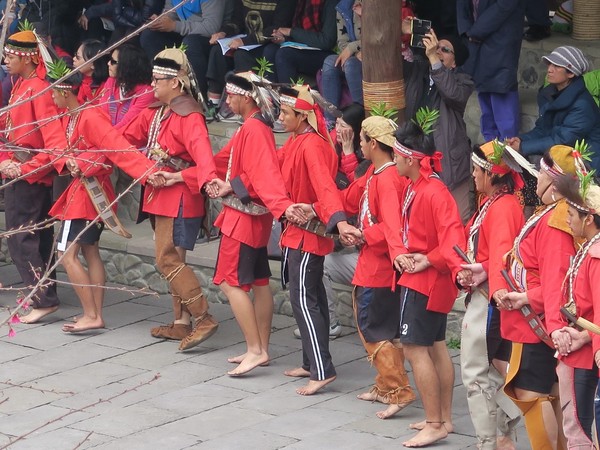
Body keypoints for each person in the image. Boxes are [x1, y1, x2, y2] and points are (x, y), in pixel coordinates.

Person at [203, 72, 307, 376]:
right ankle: (260, 346)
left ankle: (255, 349)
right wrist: (207, 174)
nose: (228, 101)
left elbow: (261, 174)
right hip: (250, 218)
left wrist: (229, 186)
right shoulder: (254, 126)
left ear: (246, 97)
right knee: (260, 282)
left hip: (242, 219)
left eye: (231, 96)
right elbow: (229, 161)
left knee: (230, 282)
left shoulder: (254, 128)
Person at [45, 59, 159, 333]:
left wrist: (81, 163)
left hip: (87, 193)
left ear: (65, 91)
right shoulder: (74, 115)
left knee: (66, 254)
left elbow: (113, 150)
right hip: (85, 189)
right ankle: (94, 312)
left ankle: (91, 314)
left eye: (53, 91)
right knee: (90, 251)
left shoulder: (90, 116)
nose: (50, 96)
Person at [121, 47, 219, 351]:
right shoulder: (155, 112)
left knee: (168, 259)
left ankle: (202, 317)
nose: (152, 86)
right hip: (158, 196)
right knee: (172, 260)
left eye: (157, 80)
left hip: (179, 197)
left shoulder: (189, 117)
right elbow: (122, 138)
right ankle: (180, 323)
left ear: (175, 83)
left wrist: (179, 177)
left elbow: (205, 164)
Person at [276, 84, 358, 395]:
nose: (281, 118)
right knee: (311, 299)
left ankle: (322, 368)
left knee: (304, 300)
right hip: (298, 233)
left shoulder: (311, 145)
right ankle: (312, 363)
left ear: (302, 116)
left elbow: (325, 189)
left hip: (307, 235)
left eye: (286, 113)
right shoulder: (301, 140)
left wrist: (336, 220)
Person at [392, 120, 467, 447]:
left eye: (396, 154)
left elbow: (454, 240)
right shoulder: (420, 185)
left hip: (424, 281)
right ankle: (444, 419)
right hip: (428, 277)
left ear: (410, 159)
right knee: (435, 346)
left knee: (414, 349)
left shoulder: (433, 191)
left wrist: (429, 259)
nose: (393, 159)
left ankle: (435, 422)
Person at [500, 145, 579, 449]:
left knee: (534, 395)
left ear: (553, 179)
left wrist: (528, 298)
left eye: (542, 172)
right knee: (549, 393)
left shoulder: (557, 222)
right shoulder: (551, 212)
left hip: (540, 323)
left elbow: (557, 280)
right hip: (535, 318)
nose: (536, 178)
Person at [340, 115, 416, 419]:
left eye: (361, 139)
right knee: (381, 328)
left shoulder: (385, 179)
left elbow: (390, 228)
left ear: (374, 143)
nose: (358, 144)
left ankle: (398, 390)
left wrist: (361, 234)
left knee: (373, 329)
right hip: (376, 265)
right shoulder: (382, 173)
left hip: (378, 267)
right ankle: (385, 385)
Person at [458, 141, 524, 450]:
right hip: (488, 294)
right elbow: (494, 257)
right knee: (491, 372)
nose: (472, 175)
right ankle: (503, 436)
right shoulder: (497, 203)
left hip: (490, 299)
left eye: (476, 169)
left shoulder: (502, 207)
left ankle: (489, 441)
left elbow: (501, 255)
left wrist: (492, 284)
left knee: (476, 374)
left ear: (490, 172)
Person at [0, 29, 67, 323]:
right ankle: (45, 293)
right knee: (36, 235)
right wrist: (4, 160)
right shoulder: (20, 84)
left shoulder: (39, 90)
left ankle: (42, 298)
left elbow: (55, 146)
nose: (5, 60)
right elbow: (6, 130)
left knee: (22, 237)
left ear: (27, 58)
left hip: (30, 176)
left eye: (10, 56)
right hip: (21, 170)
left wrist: (22, 167)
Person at [403, 26, 474, 223]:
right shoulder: (418, 71)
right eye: (437, 47)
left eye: (445, 50)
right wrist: (402, 31)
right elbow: (389, 58)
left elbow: (452, 94)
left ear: (454, 63)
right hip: (416, 154)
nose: (438, 51)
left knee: (453, 221)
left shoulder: (464, 82)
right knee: (419, 218)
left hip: (447, 162)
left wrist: (434, 58)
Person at [553, 153, 600, 449]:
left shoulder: (596, 256)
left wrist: (587, 341)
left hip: (584, 358)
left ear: (589, 219)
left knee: (579, 430)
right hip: (580, 349)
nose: (568, 220)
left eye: (572, 215)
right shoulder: (589, 248)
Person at [508, 46, 600, 173]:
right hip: (564, 158)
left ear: (571, 73)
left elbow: (563, 141)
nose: (549, 69)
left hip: (586, 165)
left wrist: (523, 147)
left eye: (557, 66)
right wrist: (522, 140)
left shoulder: (582, 105)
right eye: (550, 64)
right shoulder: (550, 94)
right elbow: (543, 129)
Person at [204, 0, 296, 107]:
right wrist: (224, 32)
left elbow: (278, 29)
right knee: (217, 50)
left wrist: (245, 41)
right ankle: (214, 103)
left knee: (242, 55)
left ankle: (244, 104)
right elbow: (237, 21)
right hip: (245, 40)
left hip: (269, 43)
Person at [456, 0, 525, 141]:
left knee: (501, 89)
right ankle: (491, 149)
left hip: (501, 38)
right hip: (474, 38)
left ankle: (507, 154)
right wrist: (466, 30)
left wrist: (475, 32)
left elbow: (504, 5)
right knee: (484, 92)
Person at [140, 0, 227, 98]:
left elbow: (210, 27)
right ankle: (164, 86)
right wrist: (161, 21)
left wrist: (174, 26)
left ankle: (197, 96)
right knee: (149, 36)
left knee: (191, 43)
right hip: (184, 31)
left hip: (213, 38)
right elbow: (172, 14)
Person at [265, 0, 336, 83]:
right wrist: (284, 39)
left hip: (326, 53)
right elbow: (299, 34)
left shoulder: (332, 2)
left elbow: (326, 41)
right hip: (303, 46)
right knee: (270, 50)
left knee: (285, 55)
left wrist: (291, 32)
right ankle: (271, 94)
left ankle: (289, 94)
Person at [320, 0, 363, 122]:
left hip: (376, 55)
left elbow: (379, 37)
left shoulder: (378, 6)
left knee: (350, 65)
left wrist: (364, 16)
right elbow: (342, 42)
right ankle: (330, 122)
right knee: (330, 62)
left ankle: (358, 120)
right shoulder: (344, 7)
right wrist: (353, 51)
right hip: (356, 55)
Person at [99, 44, 155, 129]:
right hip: (105, 137)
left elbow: (127, 124)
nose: (108, 63)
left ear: (126, 66)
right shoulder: (111, 81)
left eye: (113, 61)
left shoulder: (147, 93)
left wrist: (103, 137)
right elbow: (101, 113)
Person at [73, 39, 110, 105]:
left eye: (78, 57)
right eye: (75, 55)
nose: (74, 59)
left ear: (93, 64)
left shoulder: (103, 87)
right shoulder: (80, 80)